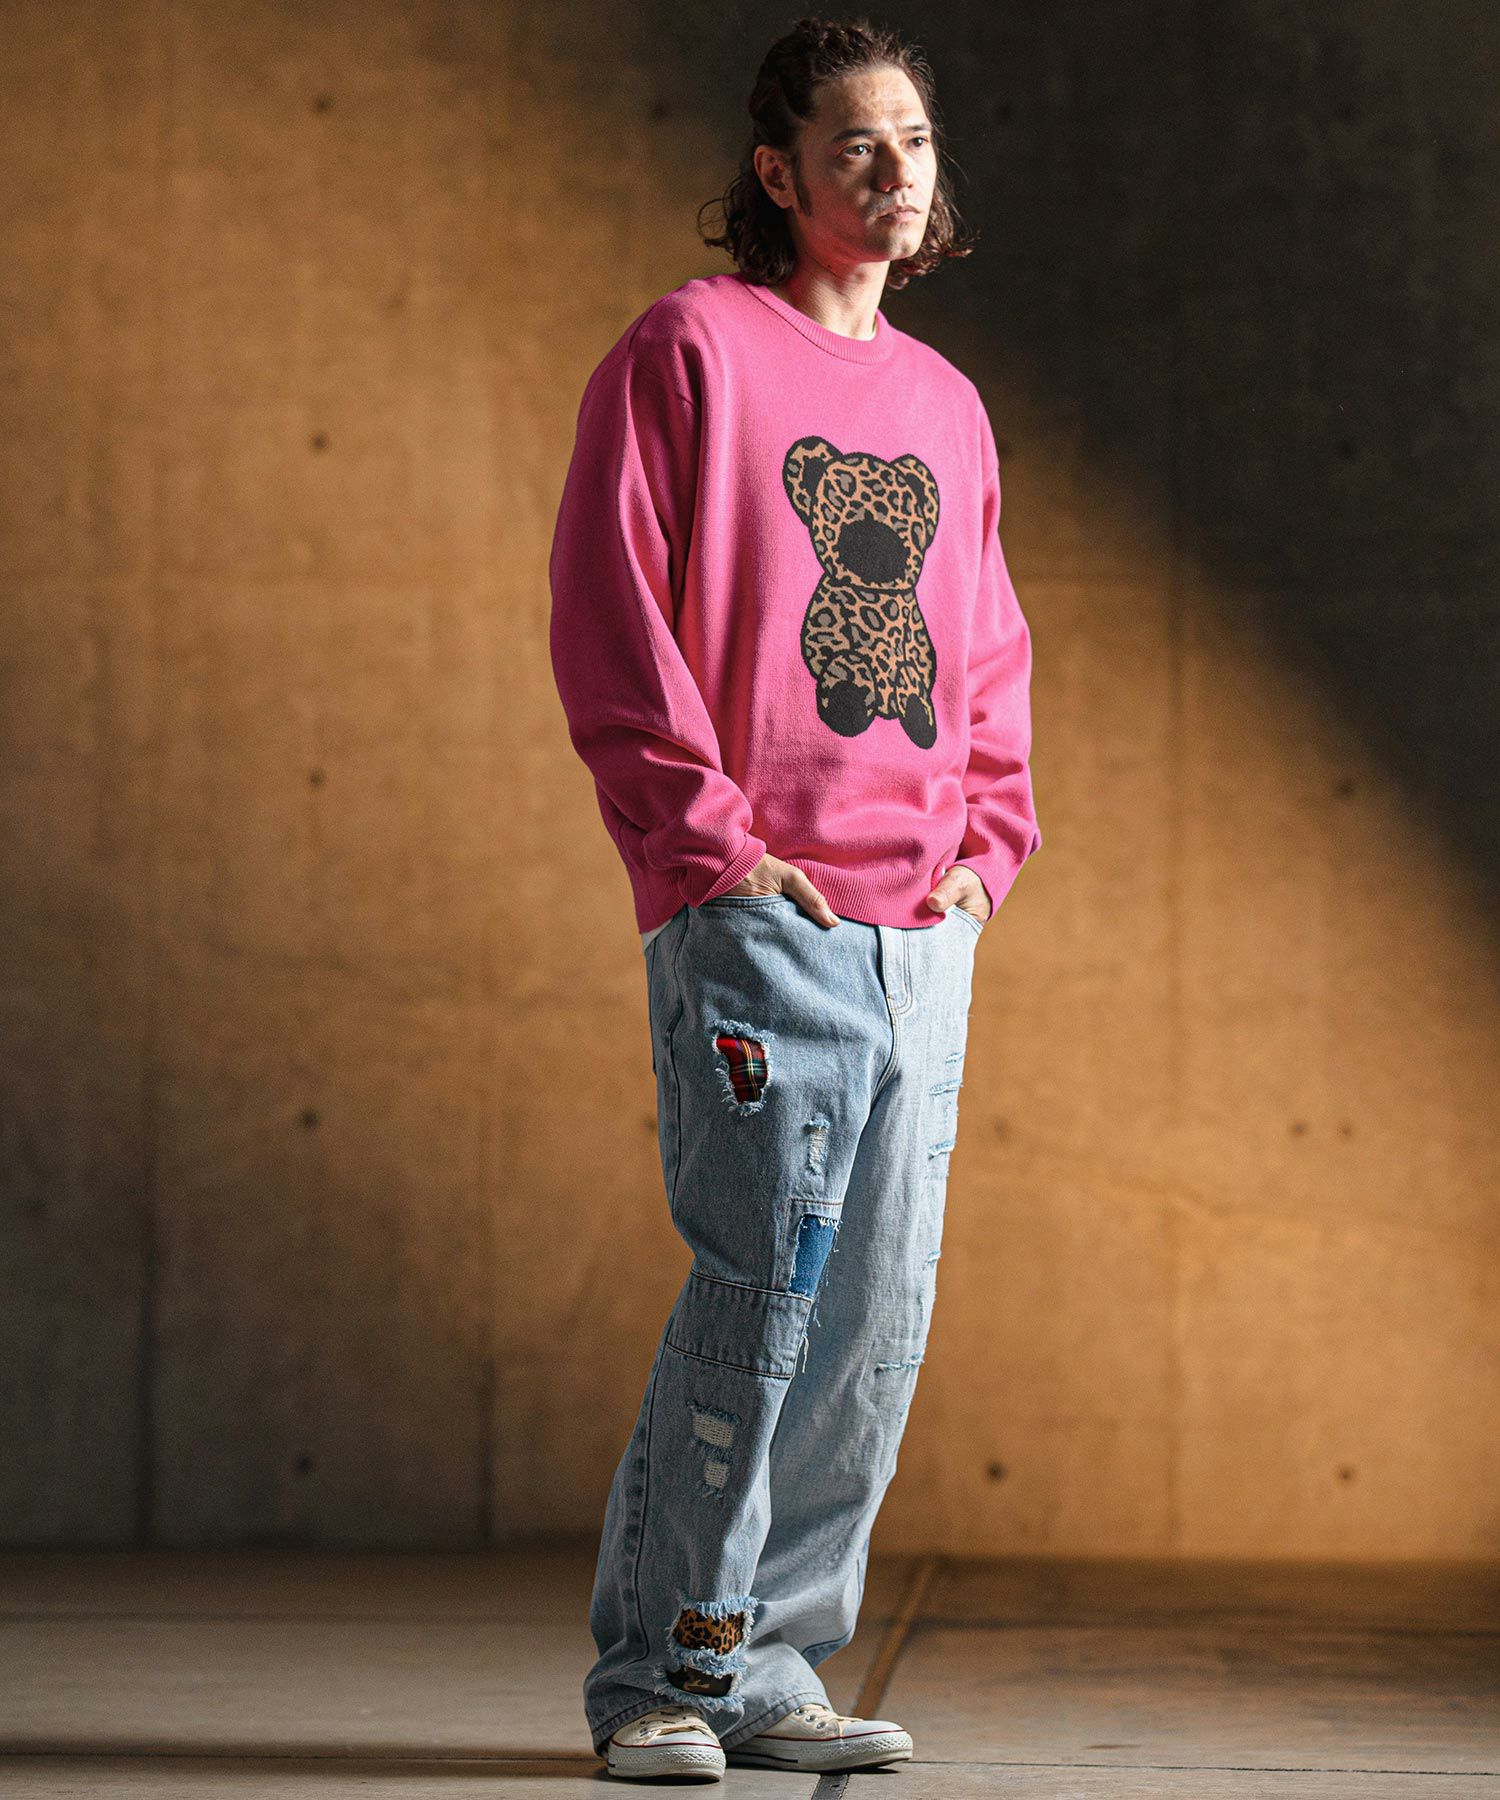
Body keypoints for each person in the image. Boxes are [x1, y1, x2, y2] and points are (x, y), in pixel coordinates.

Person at [548, 15, 1042, 1783]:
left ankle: (770, 1669)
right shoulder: (689, 349)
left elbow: (986, 645)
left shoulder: (946, 405)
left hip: (923, 935)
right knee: (761, 1298)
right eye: (854, 144)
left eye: (915, 140)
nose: (895, 172)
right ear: (778, 172)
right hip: (766, 915)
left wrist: (986, 855)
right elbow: (611, 615)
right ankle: (659, 1678)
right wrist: (709, 850)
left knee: (871, 1327)